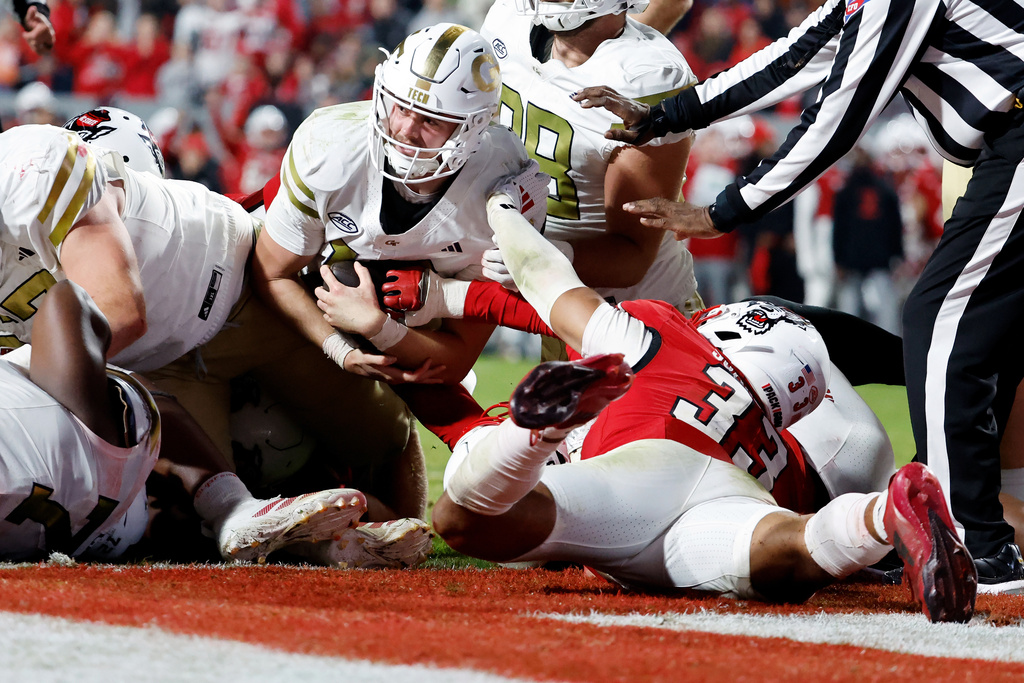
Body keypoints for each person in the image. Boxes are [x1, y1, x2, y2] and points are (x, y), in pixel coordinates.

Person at [322, 187, 977, 622]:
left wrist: (498, 215)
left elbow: (545, 285)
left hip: (634, 468)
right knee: (790, 554)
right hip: (744, 485)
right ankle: (879, 515)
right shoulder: (800, 441)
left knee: (465, 513)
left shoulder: (662, 335)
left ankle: (528, 433)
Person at [572, 0, 1024, 589]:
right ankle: (968, 521)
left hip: (1014, 139)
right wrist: (667, 115)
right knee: (983, 334)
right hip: (1004, 142)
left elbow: (841, 113)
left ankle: (968, 537)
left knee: (940, 321)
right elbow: (793, 57)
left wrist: (724, 211)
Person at [0, 115, 424, 525]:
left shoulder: (32, 168)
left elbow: (119, 312)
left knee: (382, 438)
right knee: (194, 525)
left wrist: (21, 380)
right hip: (162, 366)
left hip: (245, 292)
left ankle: (403, 529)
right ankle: (320, 529)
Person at [0, 279, 406, 568]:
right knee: (70, 304)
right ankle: (238, 508)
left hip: (85, 526)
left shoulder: (137, 520)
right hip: (88, 481)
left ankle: (275, 529)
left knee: (166, 524)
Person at [252, 23, 544, 387]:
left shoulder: (503, 184)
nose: (405, 129)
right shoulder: (328, 147)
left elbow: (456, 358)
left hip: (415, 340)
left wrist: (378, 328)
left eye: (431, 119)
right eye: (401, 107)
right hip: (301, 318)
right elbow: (271, 274)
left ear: (473, 128)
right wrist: (340, 350)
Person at [476, 0, 702, 323]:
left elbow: (632, 255)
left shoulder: (646, 77)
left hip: (641, 315)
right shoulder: (507, 18)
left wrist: (542, 257)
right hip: (557, 303)